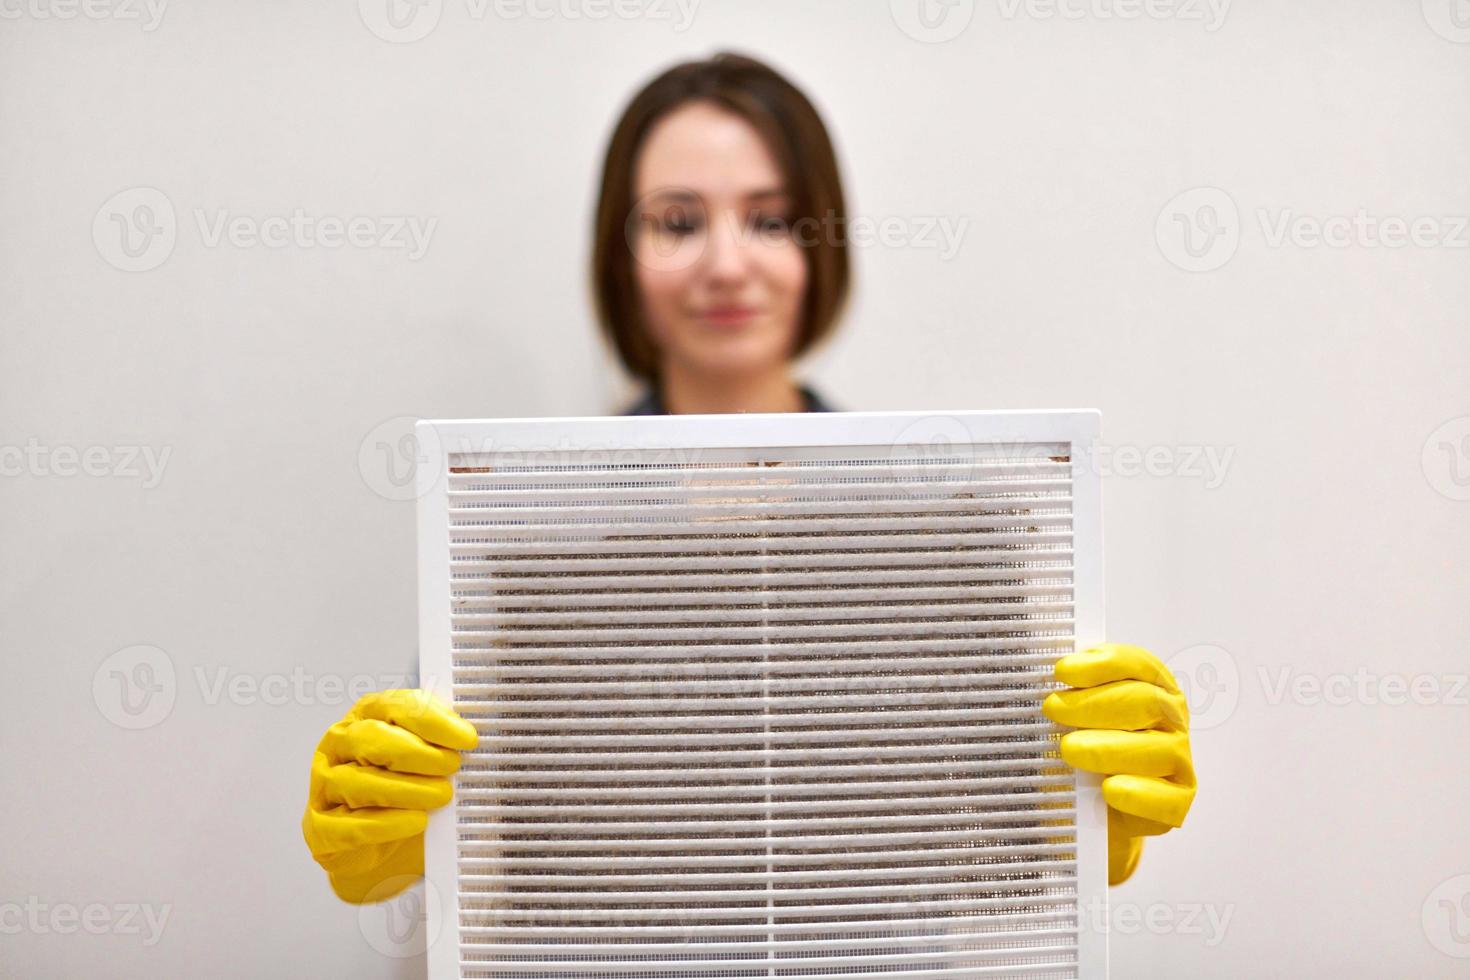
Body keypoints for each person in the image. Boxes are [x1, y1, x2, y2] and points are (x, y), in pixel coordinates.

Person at [302, 51, 1196, 905]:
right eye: (678, 222)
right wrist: (394, 831)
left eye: (772, 219)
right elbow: (468, 807)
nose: (727, 264)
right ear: (622, 255)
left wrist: (1071, 818)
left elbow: (984, 844)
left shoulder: (940, 535)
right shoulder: (528, 529)